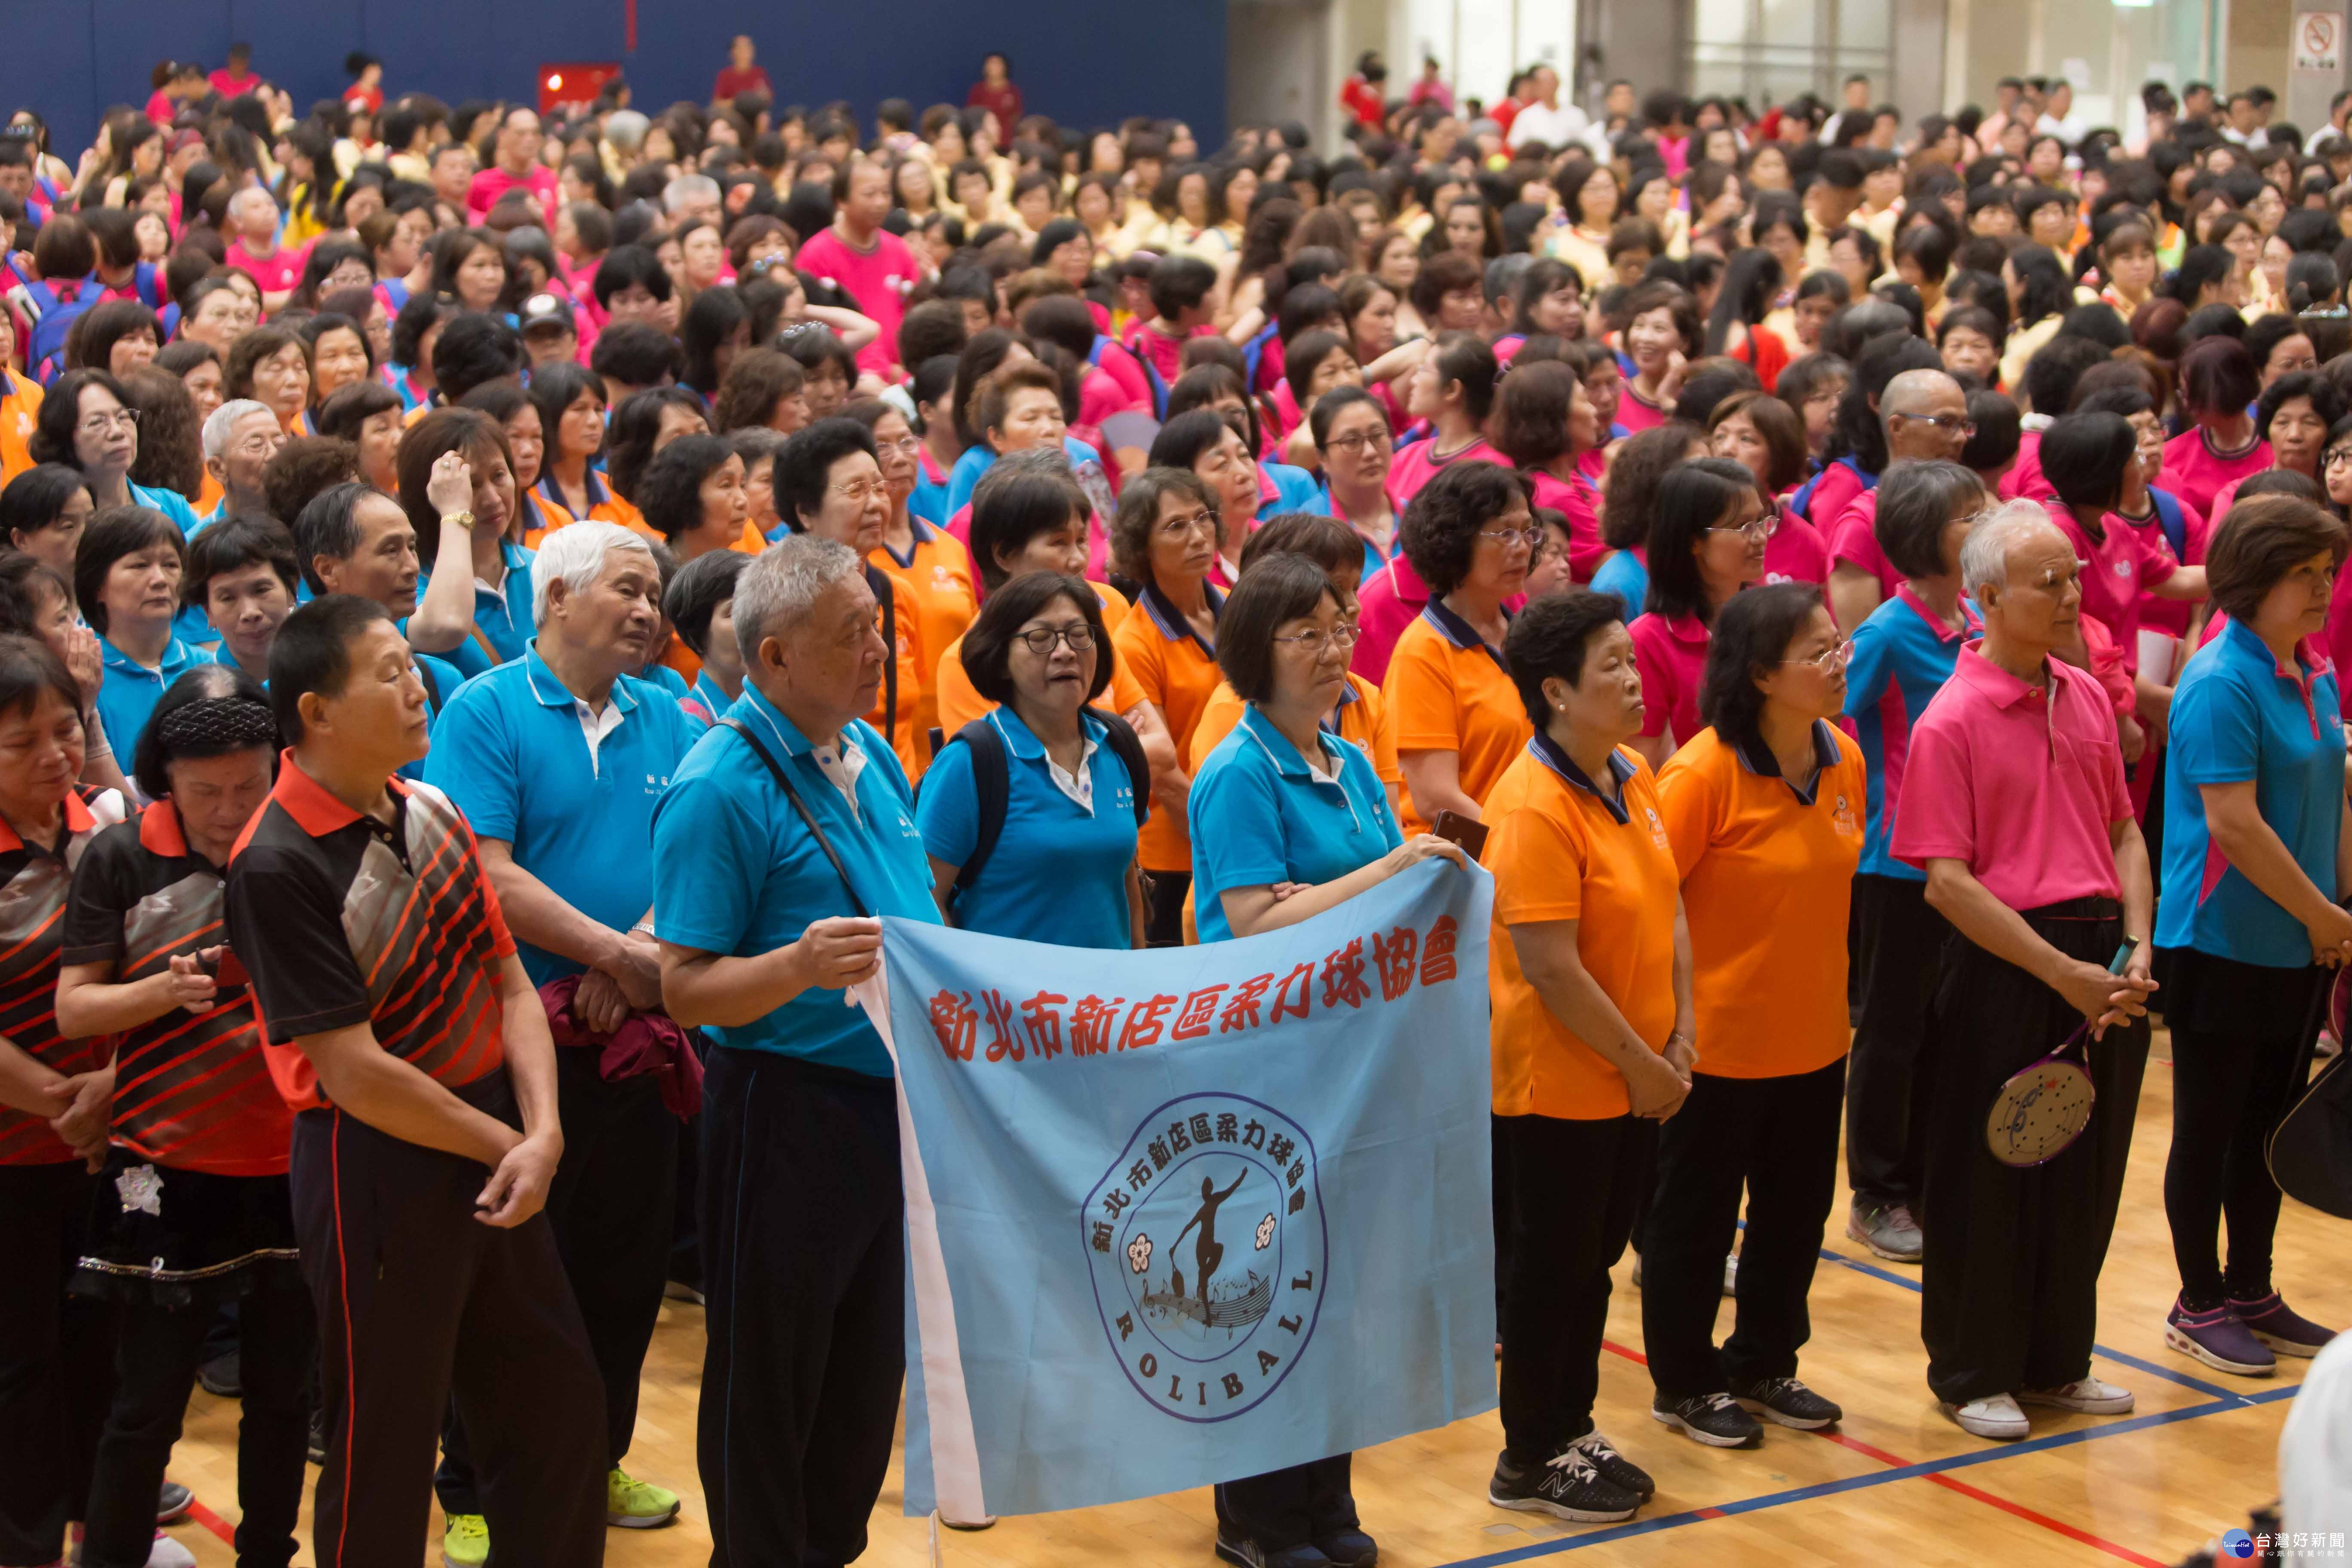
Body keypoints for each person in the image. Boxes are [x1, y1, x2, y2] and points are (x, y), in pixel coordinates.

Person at [224, 593, 607, 1565]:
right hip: (375, 1163)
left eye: (412, 665)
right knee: (384, 1444)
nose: (415, 685)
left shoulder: (430, 806)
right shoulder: (274, 863)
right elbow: (353, 1073)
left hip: (497, 1138)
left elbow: (512, 983)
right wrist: (513, 1147)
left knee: (557, 1410)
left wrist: (543, 1128)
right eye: (389, 672)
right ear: (314, 711)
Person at [649, 536, 941, 1566]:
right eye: (852, 634)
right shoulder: (718, 786)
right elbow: (680, 988)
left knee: (864, 1381)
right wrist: (794, 966)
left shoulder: (875, 759)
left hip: (888, 1107)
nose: (878, 650)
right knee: (768, 1381)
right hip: (782, 1107)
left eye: (879, 625)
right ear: (773, 659)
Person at [425, 523, 703, 1559]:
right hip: (508, 1042)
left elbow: (695, 859)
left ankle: (599, 1451)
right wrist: (608, 953)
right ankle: (476, 1484)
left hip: (636, 1034)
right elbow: (482, 868)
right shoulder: (485, 708)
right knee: (511, 1270)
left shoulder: (671, 718)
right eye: (628, 590)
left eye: (654, 593)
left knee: (623, 1268)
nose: (647, 610)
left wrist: (632, 960)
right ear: (553, 602)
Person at [1187, 551, 1467, 1566]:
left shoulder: (1348, 763)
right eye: (1302, 633)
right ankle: (1255, 1519)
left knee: (1334, 1294)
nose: (1330, 648)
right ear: (1254, 654)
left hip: (1354, 1063)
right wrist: (1398, 864)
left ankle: (1323, 1502)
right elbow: (1256, 920)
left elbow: (1389, 905)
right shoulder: (1234, 772)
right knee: (1263, 1294)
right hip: (1263, 1068)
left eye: (1337, 626)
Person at [1891, 502, 2158, 1442]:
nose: (2070, 595)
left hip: (2102, 961)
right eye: (2050, 582)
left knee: (2082, 1174)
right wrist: (2061, 973)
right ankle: (1973, 1371)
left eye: (2074, 578)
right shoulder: (1952, 720)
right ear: (1987, 597)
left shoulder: (2083, 695)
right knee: (1988, 1175)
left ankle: (2057, 1361)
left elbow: (2124, 827)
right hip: (2010, 964)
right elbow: (1948, 886)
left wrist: (2137, 945)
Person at [58, 666, 310, 1568]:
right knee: (145, 1405)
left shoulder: (296, 845)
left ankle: (269, 1556)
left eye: (251, 786)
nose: (229, 808)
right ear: (164, 777)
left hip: (291, 1163)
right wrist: (164, 991)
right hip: (162, 1166)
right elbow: (74, 1010)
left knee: (285, 1400)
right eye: (206, 791)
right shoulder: (120, 856)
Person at [1481, 590, 1689, 1525]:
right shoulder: (1529, 806)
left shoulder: (1631, 776)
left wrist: (1677, 1034)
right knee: (1548, 1269)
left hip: (1637, 1076)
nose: (1633, 678)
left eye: (1630, 660)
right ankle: (1528, 1457)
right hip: (1558, 1086)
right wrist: (1644, 1065)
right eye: (1611, 665)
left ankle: (1573, 1426)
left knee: (1594, 1263)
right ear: (1557, 692)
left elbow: (1671, 906)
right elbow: (1551, 970)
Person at [1643, 582, 1862, 1447]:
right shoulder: (1698, 775)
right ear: (1764, 674)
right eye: (1819, 652)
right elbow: (1649, 907)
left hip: (1813, 1041)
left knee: (1794, 1214)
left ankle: (1766, 1361)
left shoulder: (1844, 757)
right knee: (1694, 1224)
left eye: (1837, 645)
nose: (1838, 662)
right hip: (1715, 1050)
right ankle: (1686, 1383)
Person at [2154, 494, 2349, 1375]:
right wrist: (2322, 914)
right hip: (2219, 941)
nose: (2321, 592)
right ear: (2252, 578)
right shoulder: (2217, 680)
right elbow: (2234, 826)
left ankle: (2253, 1286)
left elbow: (2331, 796)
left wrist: (2340, 907)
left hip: (2301, 937)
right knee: (2210, 1124)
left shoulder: (2317, 671)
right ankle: (2198, 1300)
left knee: (2269, 1124)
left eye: (2327, 575)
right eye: (2304, 577)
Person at [0, 635, 129, 1568]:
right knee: (20, 1366)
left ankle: (100, 1530)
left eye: (66, 730)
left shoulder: (102, 836)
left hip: (105, 1145)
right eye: (21, 742)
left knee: (97, 1350)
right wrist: (57, 1101)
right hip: (15, 1151)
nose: (55, 755)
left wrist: (107, 1099)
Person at [1839, 459, 1986, 1261]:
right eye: (1969, 516)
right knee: (1891, 1030)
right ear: (1924, 538)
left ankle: (1926, 1178)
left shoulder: (1972, 614)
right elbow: (1826, 720)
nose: (1985, 522)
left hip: (1965, 862)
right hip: (1897, 865)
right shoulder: (1887, 634)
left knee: (1943, 1025)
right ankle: (1876, 1191)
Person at [917, 571, 1145, 945]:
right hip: (1007, 1003)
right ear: (1002, 657)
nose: (1065, 652)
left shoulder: (1118, 746)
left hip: (1109, 1002)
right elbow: (925, 899)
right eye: (1040, 639)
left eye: (1079, 635)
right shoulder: (971, 763)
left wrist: (1142, 985)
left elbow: (1125, 884)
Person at [1380, 460, 1536, 836]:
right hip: (1465, 860)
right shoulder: (1423, 652)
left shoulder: (1528, 632)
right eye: (1504, 533)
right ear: (1457, 540)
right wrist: (1521, 845)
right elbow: (1436, 799)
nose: (1522, 548)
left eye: (1528, 531)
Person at [1109, 467, 1228, 944]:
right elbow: (1162, 770)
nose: (1199, 535)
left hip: (1243, 831)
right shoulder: (1135, 641)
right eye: (1177, 526)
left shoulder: (1238, 609)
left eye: (1203, 518)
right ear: (1143, 548)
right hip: (1175, 855)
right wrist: (1221, 831)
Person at [773, 420, 926, 776]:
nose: (876, 504)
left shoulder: (896, 594)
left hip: (890, 797)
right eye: (856, 491)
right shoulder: (776, 603)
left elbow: (913, 720)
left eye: (879, 488)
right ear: (805, 512)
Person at [288, 481, 469, 775]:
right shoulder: (288, 694)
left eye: (412, 547)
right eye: (391, 550)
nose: (412, 567)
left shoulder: (440, 681)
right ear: (327, 570)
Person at [1627, 459, 1769, 766]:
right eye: (1744, 526)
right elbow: (1642, 766)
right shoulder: (1647, 641)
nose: (1760, 537)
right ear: (1694, 542)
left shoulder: (1770, 619)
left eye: (1762, 521)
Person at [1823, 368, 1973, 629]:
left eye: (1964, 425)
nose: (1960, 437)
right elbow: (1860, 649)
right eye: (1946, 423)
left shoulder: (1970, 510)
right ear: (1897, 427)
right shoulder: (1860, 526)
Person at [401, 409, 537, 679]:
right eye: (471, 484)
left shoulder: (543, 567)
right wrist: (454, 512)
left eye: (499, 476)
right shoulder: (407, 589)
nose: (492, 499)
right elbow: (445, 626)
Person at [78, 502, 203, 760]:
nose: (159, 580)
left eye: (171, 565)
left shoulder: (208, 668)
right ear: (97, 586)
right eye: (139, 566)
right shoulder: (83, 679)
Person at [27, 369, 205, 541]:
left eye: (123, 417)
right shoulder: (53, 523)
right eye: (97, 422)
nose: (118, 432)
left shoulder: (172, 506)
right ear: (64, 438)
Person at [795, 161, 925, 380]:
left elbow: (915, 307)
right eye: (870, 194)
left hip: (902, 375)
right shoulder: (816, 254)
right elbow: (814, 328)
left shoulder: (898, 249)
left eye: (886, 193)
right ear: (841, 202)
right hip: (849, 377)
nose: (881, 202)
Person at [185, 515, 299, 684]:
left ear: (291, 591)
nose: (250, 613)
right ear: (208, 611)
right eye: (228, 598)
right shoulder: (192, 697)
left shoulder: (334, 673)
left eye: (261, 590)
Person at [663, 547, 753, 720]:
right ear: (696, 637)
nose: (755, 622)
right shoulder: (687, 727)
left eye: (761, 608)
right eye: (735, 611)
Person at [199, 398, 288, 527]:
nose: (274, 454)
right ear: (217, 468)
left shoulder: (309, 528)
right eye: (256, 445)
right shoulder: (198, 544)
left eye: (279, 443)